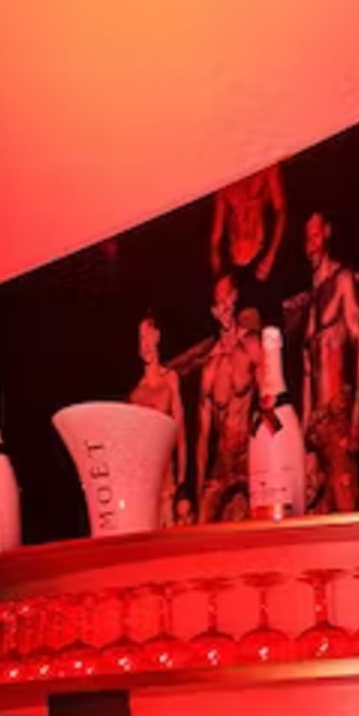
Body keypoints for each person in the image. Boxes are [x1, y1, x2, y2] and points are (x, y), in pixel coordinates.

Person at [300, 210, 359, 513]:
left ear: (326, 233)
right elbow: (306, 372)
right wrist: (304, 433)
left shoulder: (342, 280)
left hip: (338, 413)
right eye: (306, 238)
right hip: (316, 423)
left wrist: (355, 418)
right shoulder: (312, 298)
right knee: (318, 514)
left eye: (315, 235)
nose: (310, 244)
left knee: (345, 504)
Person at [194, 274, 259, 524]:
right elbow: (202, 438)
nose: (224, 306)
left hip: (249, 452)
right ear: (213, 310)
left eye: (227, 297)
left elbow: (270, 399)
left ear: (235, 297)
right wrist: (200, 488)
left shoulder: (252, 344)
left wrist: (267, 453)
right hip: (222, 460)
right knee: (204, 524)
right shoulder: (209, 368)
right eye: (218, 302)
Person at [130, 315, 192, 525]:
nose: (145, 343)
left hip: (168, 485)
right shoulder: (136, 395)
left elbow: (180, 435)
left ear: (158, 336)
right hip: (145, 489)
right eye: (141, 338)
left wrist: (182, 485)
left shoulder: (170, 381)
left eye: (148, 335)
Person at [210, 165, 288, 298]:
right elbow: (281, 211)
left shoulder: (225, 195)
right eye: (249, 234)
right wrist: (271, 254)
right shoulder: (265, 184)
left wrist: (220, 278)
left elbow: (215, 244)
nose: (245, 226)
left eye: (242, 235)